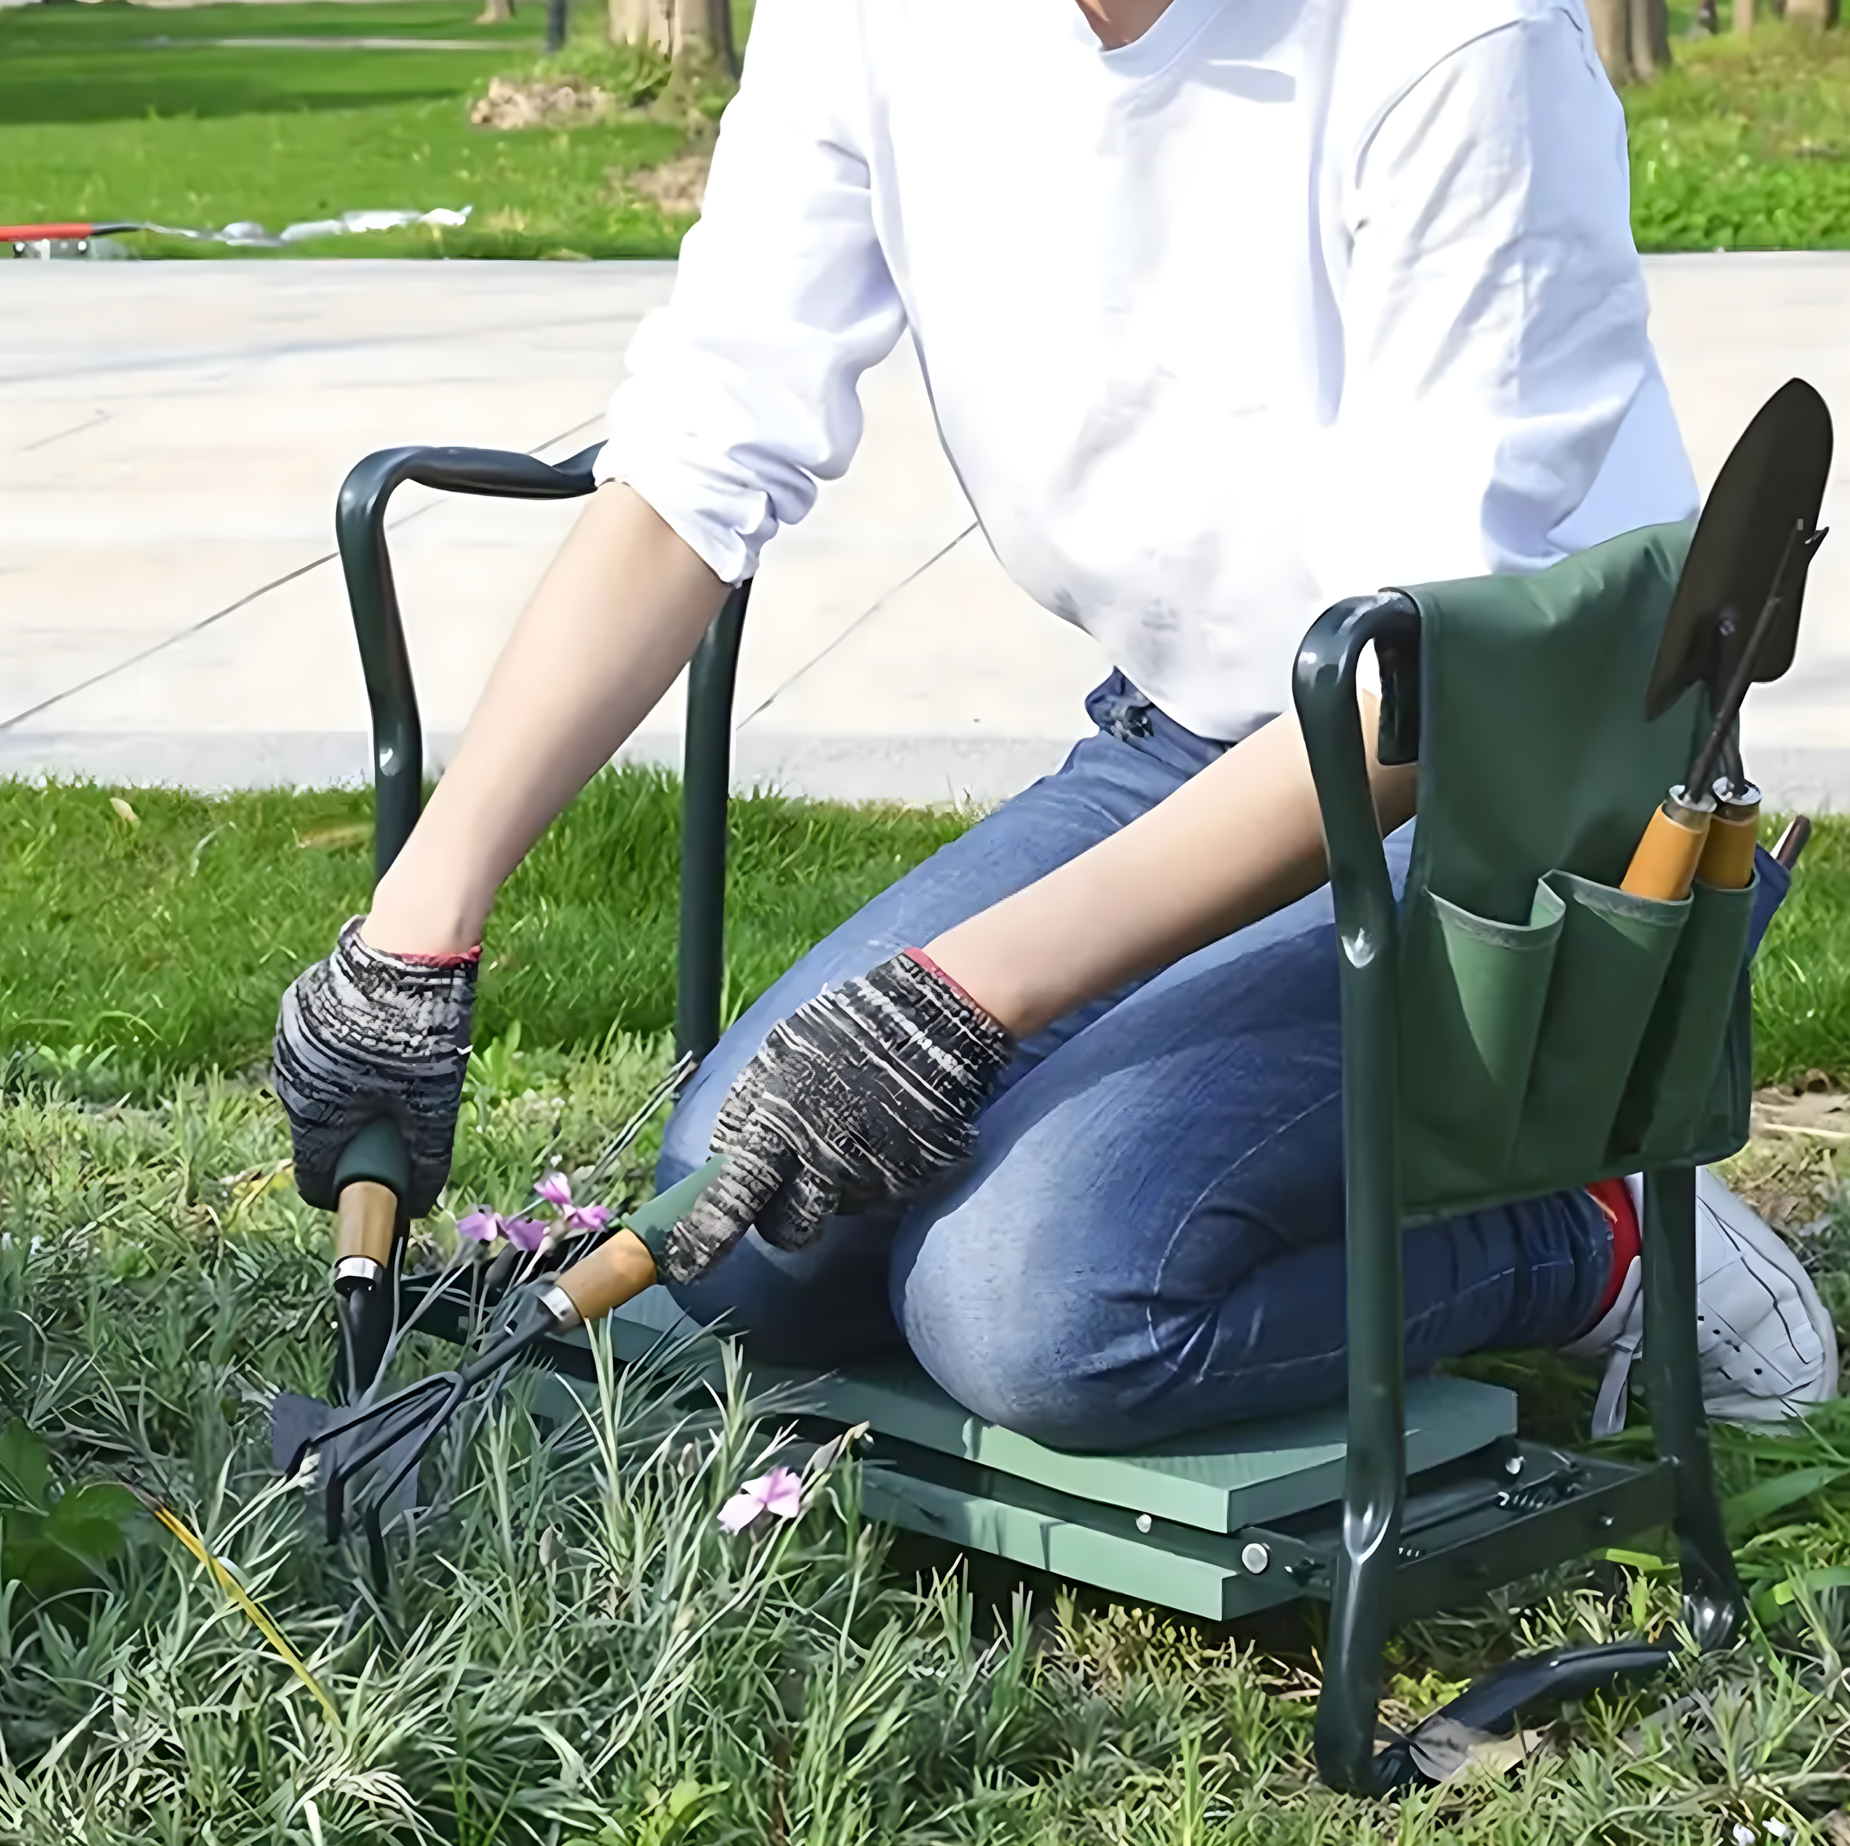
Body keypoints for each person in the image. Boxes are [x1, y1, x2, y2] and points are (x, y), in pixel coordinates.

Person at [274, 0, 1838, 1450]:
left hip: (1508, 794)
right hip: (1189, 740)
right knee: (742, 1230)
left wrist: (961, 1000)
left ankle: (1586, 1238)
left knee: (1036, 1304)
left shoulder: (1453, 38)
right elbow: (697, 456)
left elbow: (1410, 691)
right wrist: (418, 927)